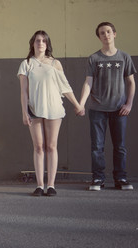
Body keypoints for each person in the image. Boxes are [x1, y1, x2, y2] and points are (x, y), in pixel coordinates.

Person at [18, 30, 83, 196]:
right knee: (38, 147)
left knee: (51, 146)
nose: (40, 43)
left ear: (47, 45)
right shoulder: (26, 63)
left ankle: (51, 185)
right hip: (34, 110)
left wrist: (77, 105)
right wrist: (24, 112)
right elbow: (24, 92)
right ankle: (40, 185)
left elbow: (65, 87)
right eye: (37, 40)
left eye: (43, 41)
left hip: (54, 109)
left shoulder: (55, 64)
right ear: (33, 43)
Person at [78, 22, 136, 191]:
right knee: (97, 147)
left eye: (109, 32)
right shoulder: (94, 58)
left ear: (115, 34)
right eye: (102, 33)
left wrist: (129, 104)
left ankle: (121, 179)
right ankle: (98, 179)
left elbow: (131, 83)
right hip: (97, 109)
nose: (106, 35)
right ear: (99, 37)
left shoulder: (124, 57)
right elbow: (88, 82)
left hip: (119, 109)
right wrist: (81, 103)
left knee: (120, 146)